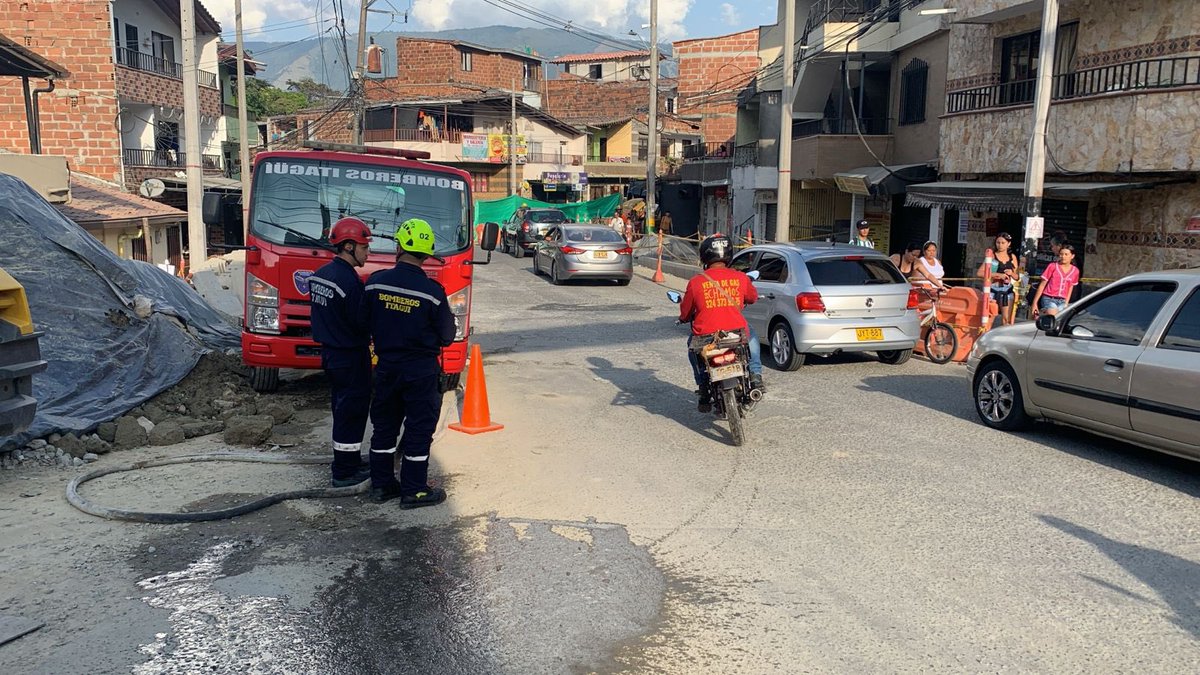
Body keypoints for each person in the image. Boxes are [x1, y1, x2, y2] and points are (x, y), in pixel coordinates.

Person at [361, 219, 455, 507]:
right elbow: (448, 336)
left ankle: (381, 486)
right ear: (427, 254)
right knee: (418, 429)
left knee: (385, 428)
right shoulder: (433, 292)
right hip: (420, 372)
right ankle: (413, 490)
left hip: (387, 368)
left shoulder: (375, 282)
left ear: (399, 246)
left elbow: (362, 322)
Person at [309, 217, 373, 488]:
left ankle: (348, 460)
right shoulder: (349, 282)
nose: (367, 252)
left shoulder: (322, 275)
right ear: (348, 246)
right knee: (352, 411)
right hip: (350, 355)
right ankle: (345, 471)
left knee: (341, 408)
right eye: (364, 246)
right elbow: (361, 320)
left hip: (331, 353)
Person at [678, 234, 764, 413]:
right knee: (752, 335)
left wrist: (683, 318)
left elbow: (685, 312)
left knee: (692, 349)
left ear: (704, 257)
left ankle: (703, 387)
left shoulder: (696, 282)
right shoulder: (740, 278)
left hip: (705, 337)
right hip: (736, 333)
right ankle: (755, 376)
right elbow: (752, 298)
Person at [978, 232, 1018, 325]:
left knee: (1006, 319)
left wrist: (1011, 273)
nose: (1000, 245)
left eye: (1003, 243)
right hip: (992, 289)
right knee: (988, 317)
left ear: (1008, 244)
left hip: (1006, 290)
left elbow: (1017, 277)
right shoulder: (992, 256)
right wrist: (997, 275)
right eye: (998, 243)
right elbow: (980, 273)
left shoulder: (1012, 257)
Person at [1031, 243, 1080, 318]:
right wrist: (1034, 303)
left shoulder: (1075, 271)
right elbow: (1042, 284)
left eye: (1066, 254)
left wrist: (1066, 303)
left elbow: (1070, 287)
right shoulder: (1052, 266)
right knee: (1053, 317)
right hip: (1049, 298)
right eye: (1061, 254)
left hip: (1062, 301)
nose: (1063, 257)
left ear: (1072, 256)